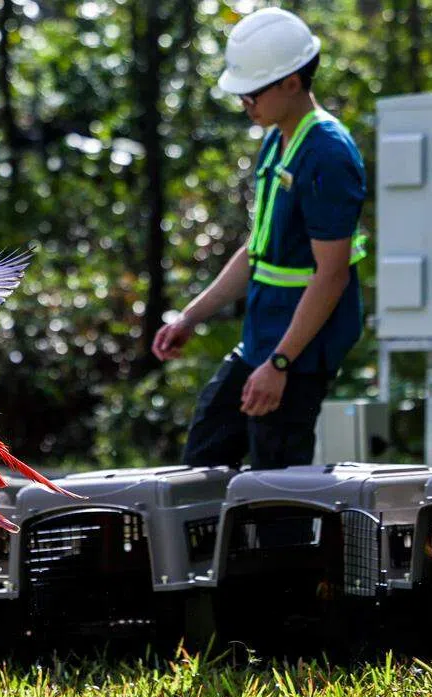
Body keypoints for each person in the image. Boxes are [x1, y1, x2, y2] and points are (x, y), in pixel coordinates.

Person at [151, 7, 367, 470]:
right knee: (202, 460)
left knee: (274, 493)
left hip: (297, 355)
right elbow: (257, 250)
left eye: (252, 93)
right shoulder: (277, 140)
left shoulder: (329, 155)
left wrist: (282, 365)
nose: (244, 103)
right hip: (261, 341)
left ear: (292, 83)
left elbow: (331, 277)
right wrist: (190, 317)